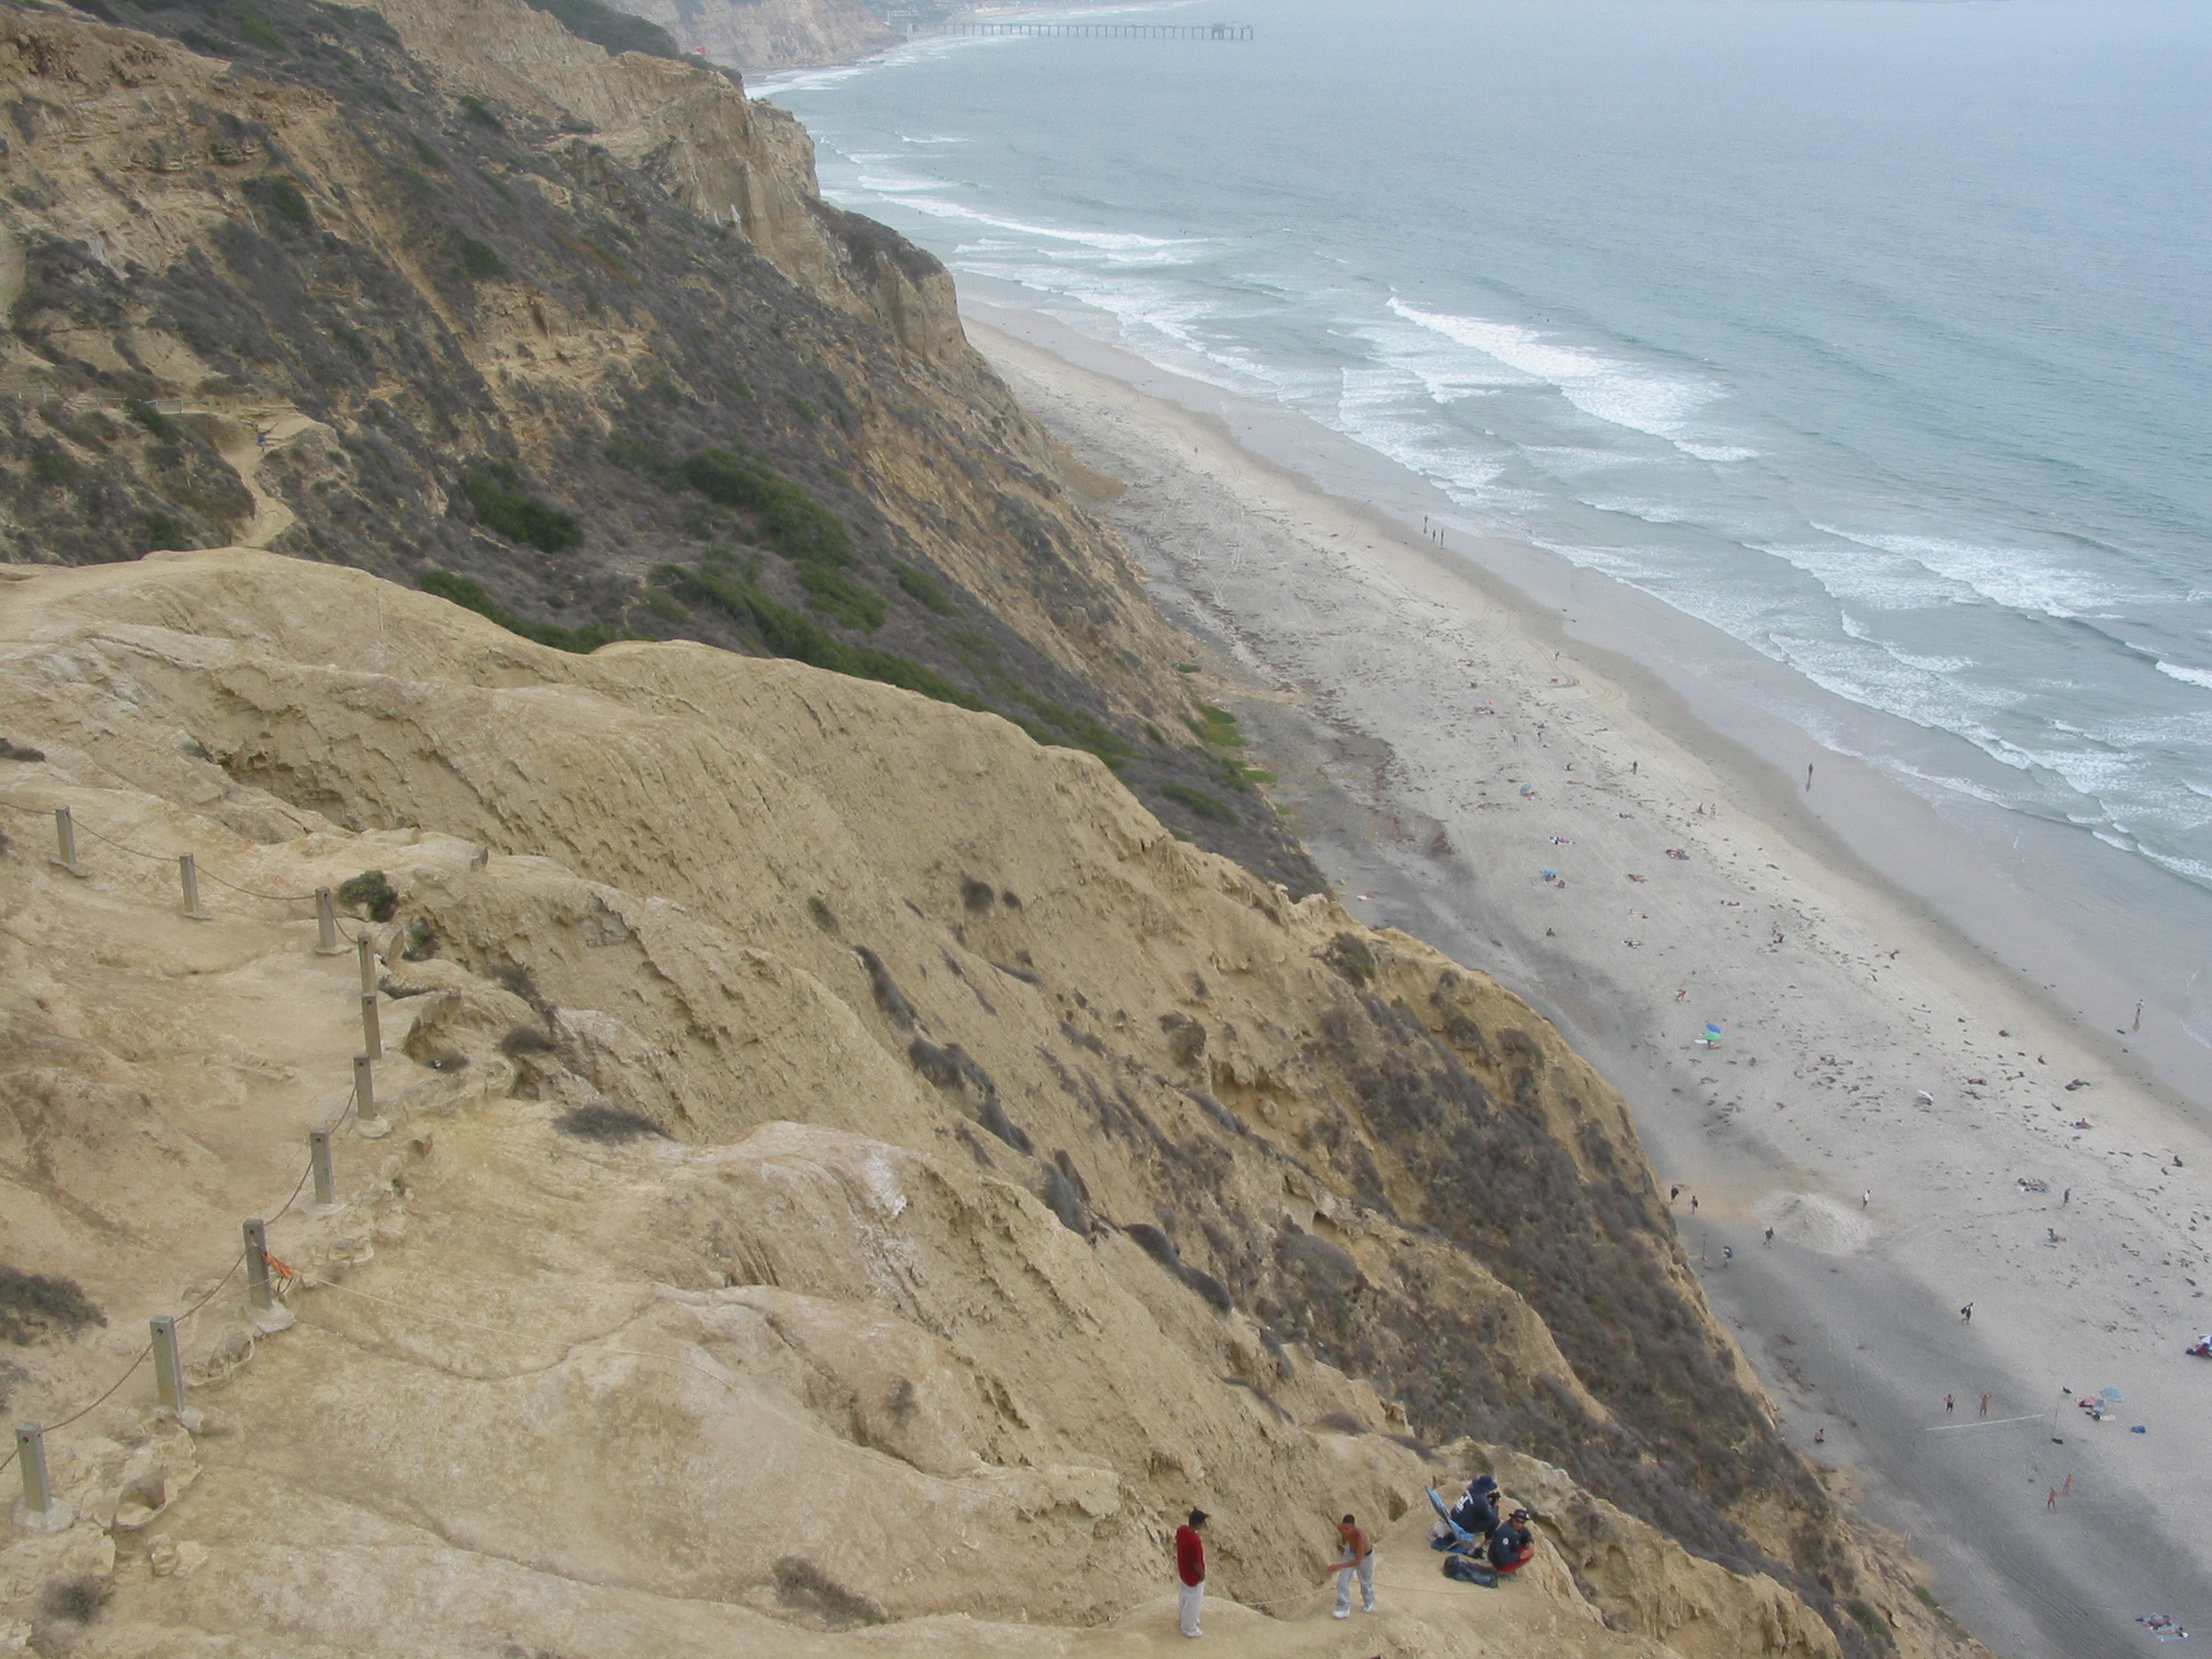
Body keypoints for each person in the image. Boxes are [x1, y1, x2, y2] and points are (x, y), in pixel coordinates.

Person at [1329, 1514, 1375, 1618]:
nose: (1345, 1530)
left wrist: (1338, 1566)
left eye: (1347, 1529)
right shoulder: (1341, 1527)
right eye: (1343, 1528)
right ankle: (1344, 1606)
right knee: (1342, 1582)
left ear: (1353, 1527)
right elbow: (1343, 1535)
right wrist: (1343, 1539)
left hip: (1365, 1558)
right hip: (1350, 1552)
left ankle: (1369, 1600)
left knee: (1365, 1581)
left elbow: (1358, 1561)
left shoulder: (1360, 1537)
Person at [1175, 1509, 1207, 1639]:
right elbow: (1197, 1563)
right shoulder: (1195, 1540)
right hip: (1192, 1576)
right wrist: (1202, 1575)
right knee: (1193, 1602)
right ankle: (1189, 1627)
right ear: (1198, 1524)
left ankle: (1183, 1619)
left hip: (1183, 1571)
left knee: (1183, 1596)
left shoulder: (1182, 1530)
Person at [1489, 1508, 1536, 1575]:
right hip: (1499, 1561)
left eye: (1522, 1522)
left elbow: (1526, 1534)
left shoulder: (1519, 1528)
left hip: (1509, 1551)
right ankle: (1504, 1571)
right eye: (1517, 1521)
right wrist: (1520, 1556)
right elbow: (1503, 1557)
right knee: (1527, 1554)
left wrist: (1530, 1542)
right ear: (1512, 1519)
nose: (1519, 1524)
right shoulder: (1505, 1532)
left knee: (1528, 1549)